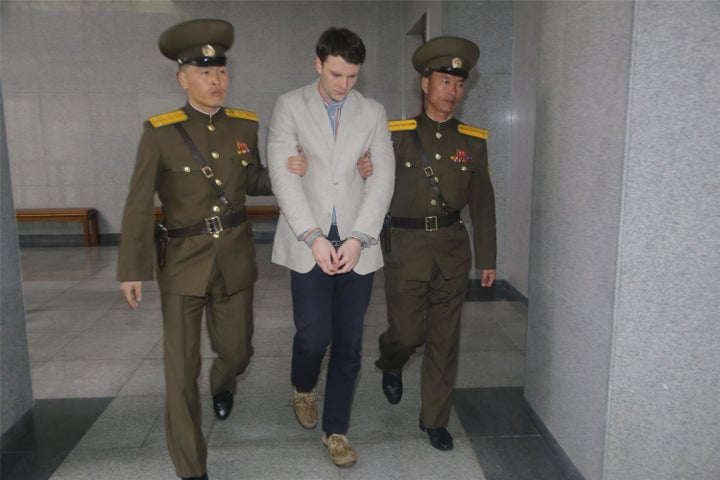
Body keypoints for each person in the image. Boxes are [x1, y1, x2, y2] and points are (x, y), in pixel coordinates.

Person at [116, 19, 310, 480]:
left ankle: (224, 384)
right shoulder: (160, 132)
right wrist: (131, 269)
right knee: (180, 375)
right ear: (182, 78)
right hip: (182, 263)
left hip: (235, 257)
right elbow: (139, 201)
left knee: (238, 351)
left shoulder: (244, 124)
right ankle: (191, 468)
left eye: (221, 72)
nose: (216, 81)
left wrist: (286, 170)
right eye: (204, 73)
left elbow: (255, 180)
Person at [266, 27, 395, 468]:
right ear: (318, 64)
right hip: (309, 243)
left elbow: (383, 179)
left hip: (358, 243)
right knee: (313, 335)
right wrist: (313, 236)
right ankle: (303, 386)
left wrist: (360, 238)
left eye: (353, 76)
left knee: (348, 343)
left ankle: (336, 430)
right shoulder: (288, 105)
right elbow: (283, 177)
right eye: (337, 74)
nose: (344, 85)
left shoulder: (373, 111)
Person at [375, 36, 497, 452]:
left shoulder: (473, 140)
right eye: (445, 81)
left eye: (459, 84)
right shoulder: (395, 136)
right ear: (425, 84)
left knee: (445, 340)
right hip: (405, 250)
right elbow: (369, 188)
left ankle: (434, 419)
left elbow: (483, 203)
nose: (453, 92)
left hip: (451, 251)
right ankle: (390, 361)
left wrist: (488, 259)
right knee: (407, 334)